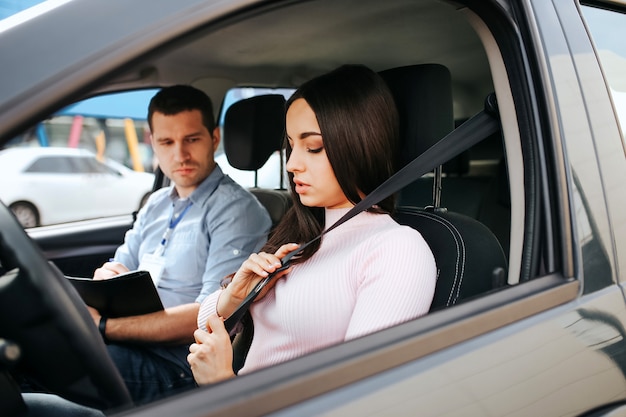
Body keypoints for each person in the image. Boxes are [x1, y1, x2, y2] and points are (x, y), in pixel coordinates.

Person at [188, 64, 437, 384]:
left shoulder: (396, 250)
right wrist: (234, 297)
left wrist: (223, 385)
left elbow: (362, 399)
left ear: (360, 144)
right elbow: (204, 325)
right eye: (291, 145)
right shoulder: (302, 231)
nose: (292, 164)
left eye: (313, 146)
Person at [86, 85, 272, 404]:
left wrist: (104, 327)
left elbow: (208, 316)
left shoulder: (236, 210)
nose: (180, 155)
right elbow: (116, 269)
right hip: (133, 346)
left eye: (192, 139)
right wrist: (104, 280)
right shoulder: (156, 203)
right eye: (167, 142)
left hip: (179, 365)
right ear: (152, 143)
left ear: (214, 138)